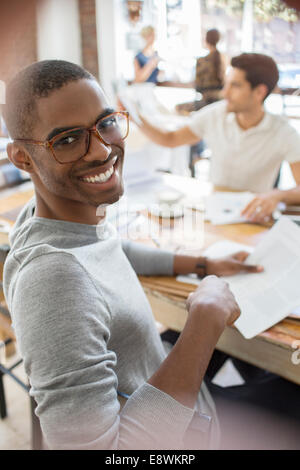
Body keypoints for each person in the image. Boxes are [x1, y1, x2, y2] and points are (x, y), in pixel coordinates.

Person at [2, 60, 263, 450]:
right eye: (69, 140)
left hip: (180, 406)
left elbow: (104, 246)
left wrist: (202, 264)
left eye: (106, 123)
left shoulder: (53, 215)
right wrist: (204, 319)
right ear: (22, 158)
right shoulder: (53, 281)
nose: (103, 150)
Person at [137, 53, 300, 224]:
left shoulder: (283, 133)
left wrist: (278, 195)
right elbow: (170, 139)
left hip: (252, 219)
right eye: (226, 84)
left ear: (259, 92)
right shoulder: (215, 114)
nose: (225, 93)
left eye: (235, 86)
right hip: (212, 214)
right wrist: (135, 117)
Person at [176, 28, 227, 115]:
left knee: (178, 108)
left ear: (206, 40)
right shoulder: (225, 58)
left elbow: (198, 85)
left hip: (206, 102)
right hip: (221, 101)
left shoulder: (201, 61)